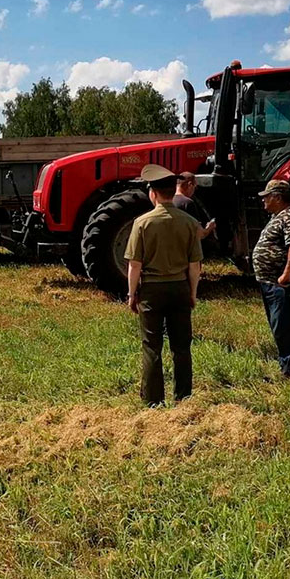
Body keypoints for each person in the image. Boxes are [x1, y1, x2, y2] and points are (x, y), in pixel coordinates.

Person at [124, 164, 203, 406]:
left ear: (153, 193)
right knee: (181, 347)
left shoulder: (142, 223)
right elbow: (194, 266)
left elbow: (134, 265)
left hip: (152, 291)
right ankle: (183, 398)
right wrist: (192, 293)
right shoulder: (189, 222)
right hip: (179, 287)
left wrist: (131, 294)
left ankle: (153, 401)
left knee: (151, 346)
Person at [253, 179, 290, 378]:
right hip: (272, 282)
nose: (263, 201)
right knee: (280, 324)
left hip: (284, 284)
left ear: (277, 197)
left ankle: (288, 369)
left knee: (284, 325)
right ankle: (286, 360)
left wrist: (286, 274)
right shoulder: (280, 215)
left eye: (266, 197)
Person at [173, 172, 217, 240]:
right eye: (195, 187)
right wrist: (209, 227)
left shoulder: (169, 201)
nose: (194, 190)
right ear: (190, 185)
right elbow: (199, 234)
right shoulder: (187, 203)